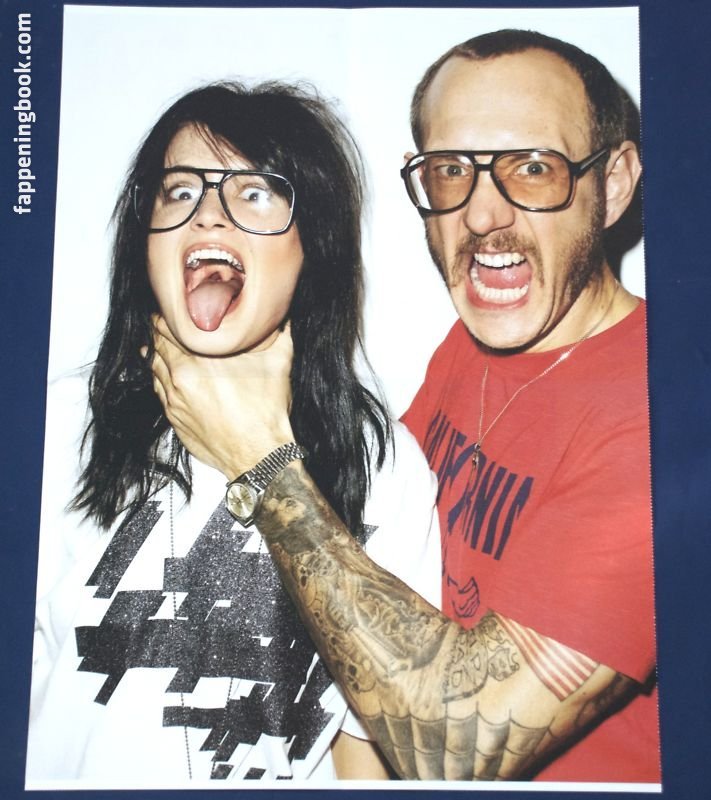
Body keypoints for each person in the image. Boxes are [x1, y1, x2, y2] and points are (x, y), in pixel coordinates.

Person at [147, 29, 659, 783]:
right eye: (450, 172)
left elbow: (457, 744)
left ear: (612, 185)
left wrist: (261, 463)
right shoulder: (476, 344)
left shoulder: (662, 421)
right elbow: (372, 601)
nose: (483, 216)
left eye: (532, 168)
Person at [26, 81, 440, 786]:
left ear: (312, 248)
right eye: (180, 191)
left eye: (255, 193)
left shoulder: (383, 463)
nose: (210, 214)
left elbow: (367, 743)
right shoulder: (58, 424)